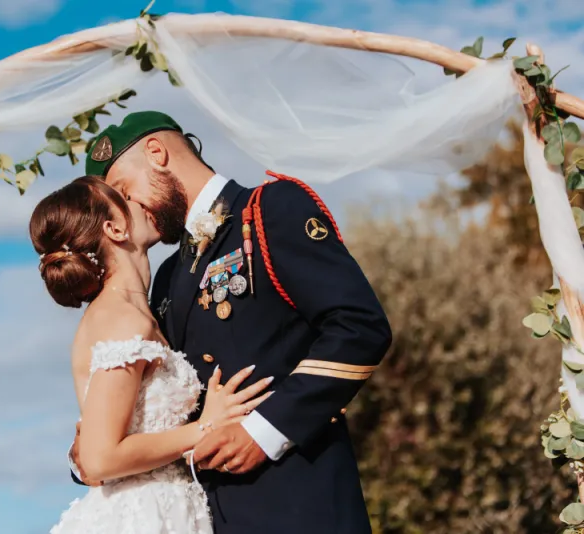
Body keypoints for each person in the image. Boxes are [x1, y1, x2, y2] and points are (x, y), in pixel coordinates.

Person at [69, 110, 393, 533]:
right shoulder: (166, 278)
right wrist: (96, 452)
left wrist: (265, 431)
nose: (128, 211)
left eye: (125, 191)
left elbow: (360, 327)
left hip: (298, 503)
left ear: (157, 153)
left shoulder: (268, 211)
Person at [30, 175, 273, 533]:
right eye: (123, 197)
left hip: (170, 506)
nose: (141, 201)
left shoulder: (141, 310)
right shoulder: (122, 318)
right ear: (114, 228)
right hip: (142, 515)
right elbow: (99, 458)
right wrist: (205, 426)